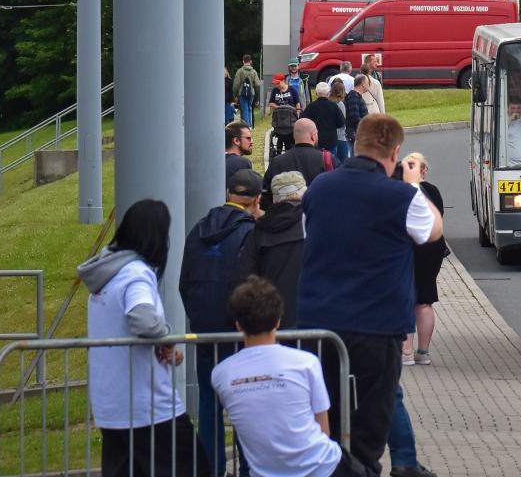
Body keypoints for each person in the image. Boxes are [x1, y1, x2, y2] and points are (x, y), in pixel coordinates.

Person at [297, 114, 443, 475]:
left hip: (319, 328)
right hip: (375, 330)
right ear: (395, 151)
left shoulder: (318, 189)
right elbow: (433, 231)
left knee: (325, 429)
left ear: (358, 143)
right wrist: (412, 184)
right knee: (367, 436)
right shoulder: (399, 197)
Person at [78, 199, 209, 477]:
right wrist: (164, 337)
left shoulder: (106, 275)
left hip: (111, 404)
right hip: (146, 405)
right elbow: (143, 318)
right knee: (193, 465)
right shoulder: (136, 274)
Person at [212, 277, 373, 477]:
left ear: (238, 325)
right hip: (322, 467)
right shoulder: (306, 363)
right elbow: (324, 430)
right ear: (278, 321)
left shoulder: (221, 374)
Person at [180, 168, 263, 476]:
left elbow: (184, 282)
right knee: (246, 405)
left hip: (205, 331)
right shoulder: (250, 233)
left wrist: (198, 318)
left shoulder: (198, 230)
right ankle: (248, 469)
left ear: (228, 194)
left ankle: (212, 469)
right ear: (255, 200)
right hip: (239, 333)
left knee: (208, 403)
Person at [236, 172, 308, 328]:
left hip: (271, 322)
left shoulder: (259, 230)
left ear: (275, 199)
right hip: (309, 321)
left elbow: (246, 276)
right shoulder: (312, 224)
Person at [395, 152, 445, 368]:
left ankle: (406, 350)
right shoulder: (433, 191)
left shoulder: (399, 189)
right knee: (425, 299)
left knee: (406, 297)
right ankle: (423, 352)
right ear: (424, 170)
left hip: (407, 248)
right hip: (431, 249)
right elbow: (438, 218)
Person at [261, 118, 333, 209]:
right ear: (313, 136)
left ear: (294, 137)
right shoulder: (327, 159)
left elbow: (265, 196)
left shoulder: (276, 162)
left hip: (285, 218)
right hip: (318, 216)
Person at [303, 81, 345, 156]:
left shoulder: (311, 107)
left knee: (317, 164)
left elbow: (303, 121)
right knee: (331, 164)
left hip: (316, 140)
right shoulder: (334, 106)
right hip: (331, 140)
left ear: (316, 93)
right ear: (328, 93)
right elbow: (341, 123)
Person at [269, 73, 301, 160]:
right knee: (280, 134)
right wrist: (280, 108)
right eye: (275, 83)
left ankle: (289, 152)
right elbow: (271, 103)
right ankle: (278, 153)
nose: (277, 85)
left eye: (278, 83)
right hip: (279, 119)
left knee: (289, 137)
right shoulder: (275, 91)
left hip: (291, 119)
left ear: (283, 81)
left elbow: (297, 103)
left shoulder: (292, 90)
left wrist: (297, 113)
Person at [233, 55, 261, 127]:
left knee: (244, 109)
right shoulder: (254, 72)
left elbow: (236, 84)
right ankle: (250, 125)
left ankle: (246, 126)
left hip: (242, 93)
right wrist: (257, 97)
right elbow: (257, 84)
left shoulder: (240, 71)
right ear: (250, 61)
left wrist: (235, 95)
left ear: (243, 61)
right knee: (250, 108)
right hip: (251, 93)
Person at [344, 75, 369, 150]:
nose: (368, 85)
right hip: (356, 135)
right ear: (363, 83)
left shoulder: (356, 96)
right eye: (367, 83)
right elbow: (354, 117)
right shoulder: (353, 97)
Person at [226, 121, 255, 185]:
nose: (252, 142)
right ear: (236, 141)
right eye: (248, 138)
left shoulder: (217, 161)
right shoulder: (242, 163)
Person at [329, 79, 350, 162]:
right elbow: (342, 122)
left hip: (331, 137)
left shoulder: (329, 102)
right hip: (341, 137)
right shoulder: (340, 104)